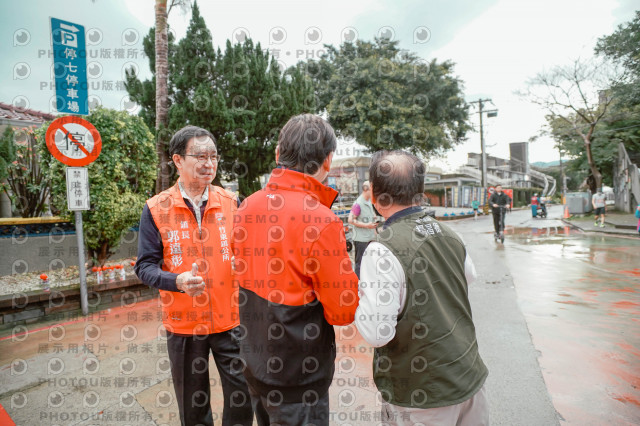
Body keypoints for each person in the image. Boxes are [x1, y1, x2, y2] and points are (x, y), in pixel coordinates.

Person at [232, 114, 359, 425]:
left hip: (254, 359)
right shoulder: (322, 221)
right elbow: (343, 311)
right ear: (327, 160)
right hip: (298, 373)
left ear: (278, 153)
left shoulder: (247, 206)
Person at [354, 150, 489, 425]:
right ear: (421, 191)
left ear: (376, 195)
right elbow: (468, 276)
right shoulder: (450, 234)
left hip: (422, 394)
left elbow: (377, 333)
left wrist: (358, 298)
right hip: (468, 376)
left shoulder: (382, 249)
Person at [134, 126, 253, 426]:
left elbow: (247, 252)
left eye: (213, 156)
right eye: (200, 156)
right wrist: (176, 281)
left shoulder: (231, 202)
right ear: (178, 160)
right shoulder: (156, 209)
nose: (209, 163)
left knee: (243, 395)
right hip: (184, 324)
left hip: (230, 319)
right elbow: (145, 266)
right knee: (193, 405)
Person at [348, 181, 378, 277]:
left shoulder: (368, 201)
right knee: (360, 264)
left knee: (369, 263)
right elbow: (351, 219)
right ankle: (358, 283)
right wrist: (366, 225)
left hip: (369, 238)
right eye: (372, 189)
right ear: (366, 190)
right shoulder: (358, 204)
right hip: (361, 240)